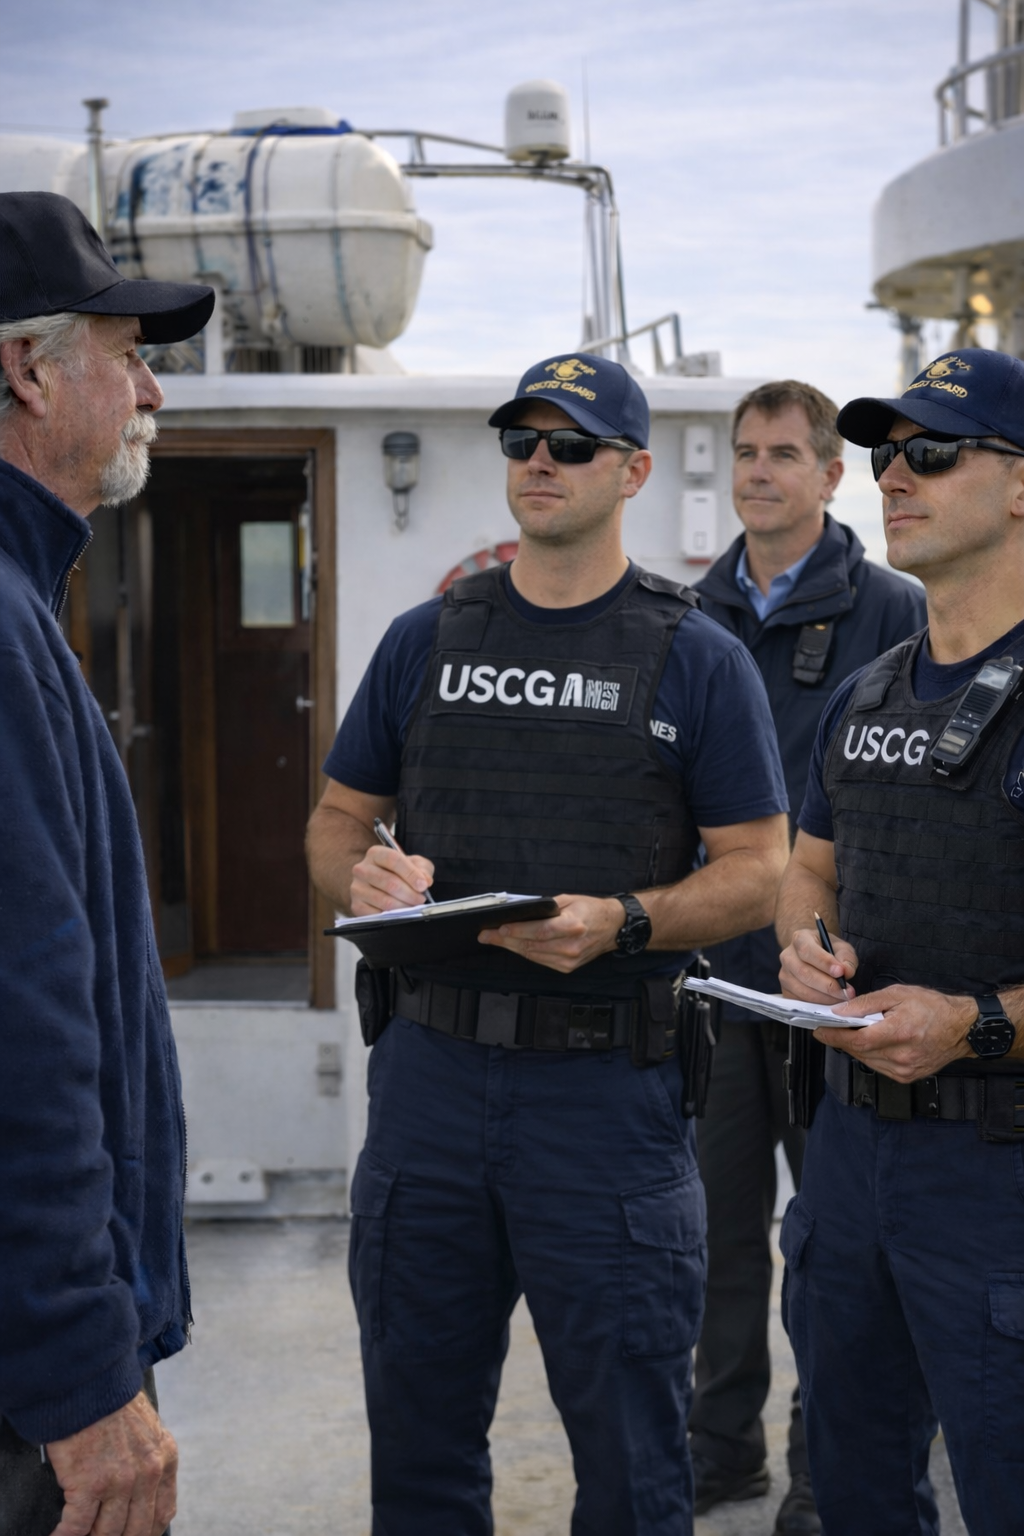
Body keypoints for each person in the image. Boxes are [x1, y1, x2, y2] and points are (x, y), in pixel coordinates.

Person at [307, 350, 791, 1534]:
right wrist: (364, 875)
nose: (539, 461)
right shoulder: (426, 640)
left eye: (569, 444)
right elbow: (333, 822)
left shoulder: (698, 656)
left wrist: (625, 921)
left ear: (629, 472)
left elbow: (759, 869)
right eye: (523, 438)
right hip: (428, 1084)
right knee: (417, 1450)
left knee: (632, 1464)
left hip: (605, 1098)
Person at [775, 346, 1024, 1536]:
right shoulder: (866, 691)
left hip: (996, 1168)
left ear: (1020, 485)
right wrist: (804, 946)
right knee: (856, 1489)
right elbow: (808, 869)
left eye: (931, 451)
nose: (893, 477)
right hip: (849, 1162)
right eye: (883, 454)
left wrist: (977, 1024)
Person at [0, 192, 213, 1536]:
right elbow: (20, 1022)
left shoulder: (28, 597)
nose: (151, 392)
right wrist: (83, 1369)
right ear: (24, 370)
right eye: (128, 355)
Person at [689, 382, 925, 1531]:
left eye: (785, 454)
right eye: (744, 452)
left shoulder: (896, 614)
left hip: (839, 990)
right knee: (715, 1238)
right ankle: (720, 1447)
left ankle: (824, 1474)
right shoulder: (687, 615)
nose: (758, 472)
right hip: (717, 985)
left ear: (833, 476)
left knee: (833, 1251)